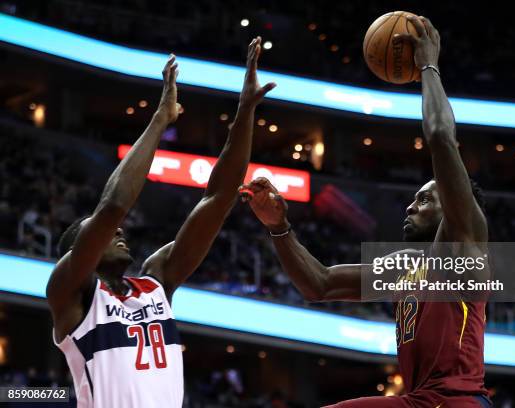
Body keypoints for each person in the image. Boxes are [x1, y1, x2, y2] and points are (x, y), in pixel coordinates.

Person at [241, 17, 492, 408]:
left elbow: (441, 137)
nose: (411, 205)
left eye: (425, 199)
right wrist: (279, 228)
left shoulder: (466, 243)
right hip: (418, 400)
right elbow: (318, 284)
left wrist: (428, 66)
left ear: (455, 204)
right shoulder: (405, 265)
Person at [46, 37, 275, 407]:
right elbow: (112, 209)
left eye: (117, 232)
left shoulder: (156, 283)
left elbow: (217, 199)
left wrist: (245, 113)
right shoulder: (69, 291)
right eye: (100, 234)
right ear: (79, 248)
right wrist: (160, 120)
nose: (119, 232)